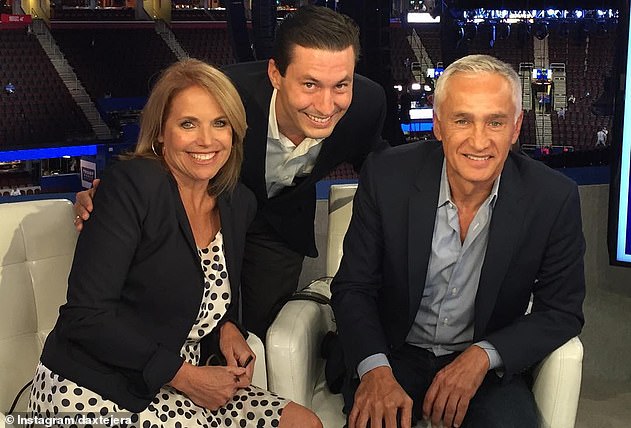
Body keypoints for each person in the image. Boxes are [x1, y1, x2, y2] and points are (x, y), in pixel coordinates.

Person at [29, 59, 321, 428]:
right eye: (188, 124)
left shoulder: (237, 203)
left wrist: (227, 328)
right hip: (98, 383)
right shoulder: (132, 186)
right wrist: (185, 377)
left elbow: (206, 293)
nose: (206, 140)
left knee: (304, 422)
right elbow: (85, 318)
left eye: (220, 123)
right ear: (161, 132)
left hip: (183, 381)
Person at [74, 5, 388, 340]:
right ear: (275, 74)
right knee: (178, 320)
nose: (327, 106)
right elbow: (166, 145)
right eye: (310, 84)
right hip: (206, 214)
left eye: (341, 85)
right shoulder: (223, 92)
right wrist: (114, 194)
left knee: (258, 337)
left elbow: (380, 166)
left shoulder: (366, 104)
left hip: (280, 225)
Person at [330, 55, 585, 428]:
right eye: (462, 120)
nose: (479, 141)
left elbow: (562, 310)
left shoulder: (553, 198)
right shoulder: (387, 175)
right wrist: (375, 371)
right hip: (392, 352)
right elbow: (353, 288)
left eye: (495, 122)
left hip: (483, 361)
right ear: (437, 125)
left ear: (516, 128)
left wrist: (483, 356)